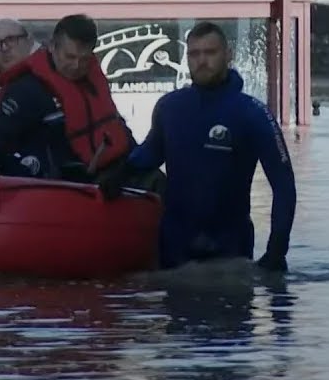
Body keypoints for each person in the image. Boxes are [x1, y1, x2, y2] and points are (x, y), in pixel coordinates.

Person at [100, 21, 296, 272]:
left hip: (230, 253)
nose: (201, 61)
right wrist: (120, 175)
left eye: (210, 53)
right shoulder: (170, 107)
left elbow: (284, 187)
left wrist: (276, 251)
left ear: (228, 56)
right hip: (175, 250)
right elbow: (150, 152)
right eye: (194, 54)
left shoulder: (253, 114)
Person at [0, 14, 135, 180]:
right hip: (54, 189)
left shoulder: (92, 82)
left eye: (84, 59)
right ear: (52, 47)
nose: (76, 66)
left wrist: (127, 168)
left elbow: (115, 127)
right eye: (70, 57)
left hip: (104, 180)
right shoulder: (26, 90)